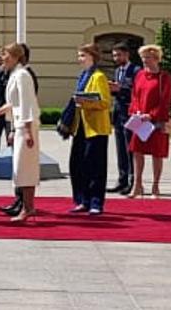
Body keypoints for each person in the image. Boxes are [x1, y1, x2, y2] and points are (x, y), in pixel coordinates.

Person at [0, 42, 40, 222]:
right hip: (19, 125)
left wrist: (27, 131)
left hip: (26, 126)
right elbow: (12, 104)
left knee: (25, 168)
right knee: (21, 168)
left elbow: (27, 103)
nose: (1, 58)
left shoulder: (22, 75)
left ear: (14, 56)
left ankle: (28, 208)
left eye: (4, 55)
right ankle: (28, 208)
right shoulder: (14, 75)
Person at [64, 43, 113, 214]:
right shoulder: (84, 75)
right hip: (80, 127)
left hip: (96, 128)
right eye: (79, 56)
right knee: (77, 164)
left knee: (95, 166)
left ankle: (95, 203)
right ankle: (81, 200)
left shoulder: (98, 76)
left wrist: (86, 102)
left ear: (92, 56)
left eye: (83, 56)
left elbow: (105, 102)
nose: (80, 59)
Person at [129, 44, 171, 199]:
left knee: (157, 153)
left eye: (148, 58)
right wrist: (136, 111)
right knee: (137, 151)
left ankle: (155, 186)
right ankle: (137, 185)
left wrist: (151, 115)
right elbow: (135, 96)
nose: (144, 61)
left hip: (157, 121)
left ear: (156, 59)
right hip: (140, 119)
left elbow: (165, 100)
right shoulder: (140, 75)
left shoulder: (164, 77)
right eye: (143, 58)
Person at [109, 42, 143, 194]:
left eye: (119, 55)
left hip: (130, 114)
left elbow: (138, 92)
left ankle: (133, 181)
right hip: (118, 113)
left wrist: (120, 88)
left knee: (131, 148)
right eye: (114, 55)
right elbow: (118, 91)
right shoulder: (117, 71)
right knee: (120, 148)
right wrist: (112, 89)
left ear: (127, 55)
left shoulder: (136, 71)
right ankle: (121, 179)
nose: (116, 58)